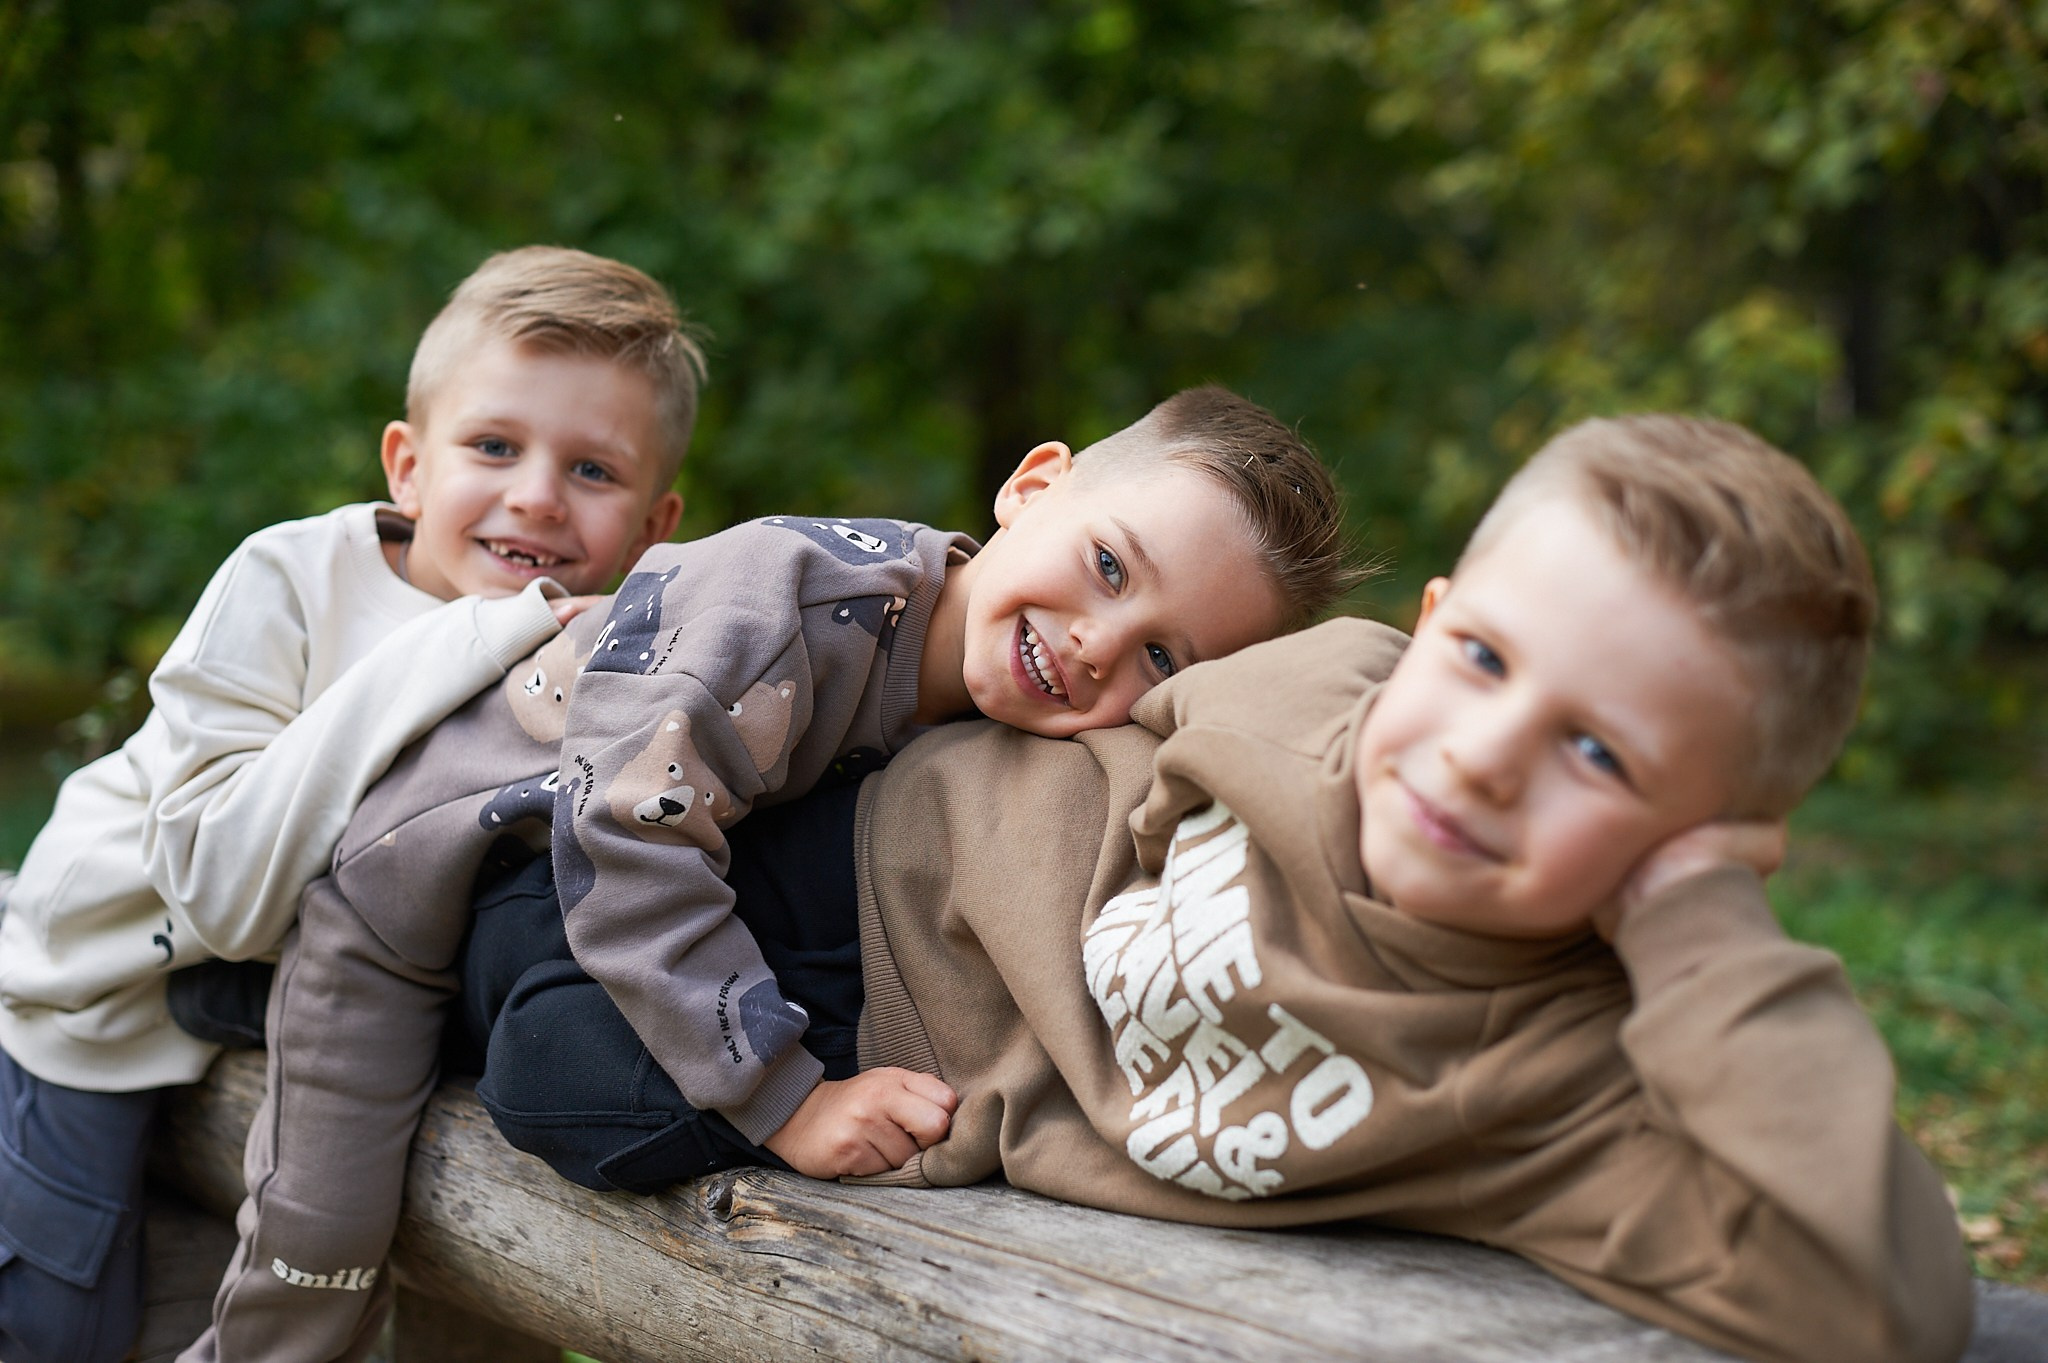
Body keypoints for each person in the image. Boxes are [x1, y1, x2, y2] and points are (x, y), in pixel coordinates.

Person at [470, 414, 1975, 1363]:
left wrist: (1702, 928)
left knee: (553, 1071)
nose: (1482, 755)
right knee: (499, 921)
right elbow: (1111, 646)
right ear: (1434, 623)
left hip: (903, 1065)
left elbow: (1881, 1302)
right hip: (854, 850)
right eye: (1486, 661)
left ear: (1706, 835)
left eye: (1598, 748)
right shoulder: (1327, 682)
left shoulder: (1565, 1082)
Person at [179, 385, 1360, 1363]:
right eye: (1107, 564)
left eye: (1160, 652)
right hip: (413, 883)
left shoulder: (961, 684)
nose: (1101, 642)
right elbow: (628, 837)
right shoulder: (788, 608)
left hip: (554, 908)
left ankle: (234, 991)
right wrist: (784, 1098)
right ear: (1031, 485)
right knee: (322, 1233)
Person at [0, 244, 698, 1363]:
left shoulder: (587, 659)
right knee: (55, 1324)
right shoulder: (289, 581)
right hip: (93, 996)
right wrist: (476, 636)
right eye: (493, 446)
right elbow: (220, 889)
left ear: (654, 526)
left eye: (593, 472)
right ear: (408, 466)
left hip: (266, 1010)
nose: (534, 494)